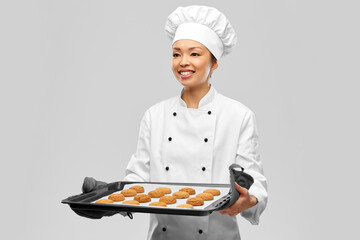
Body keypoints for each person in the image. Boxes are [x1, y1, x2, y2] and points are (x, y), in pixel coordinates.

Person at [122, 5, 268, 240]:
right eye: (176, 54)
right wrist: (107, 199)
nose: (183, 62)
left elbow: (255, 181)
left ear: (215, 62)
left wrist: (249, 199)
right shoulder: (154, 115)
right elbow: (138, 179)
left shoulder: (238, 116)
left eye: (195, 53)